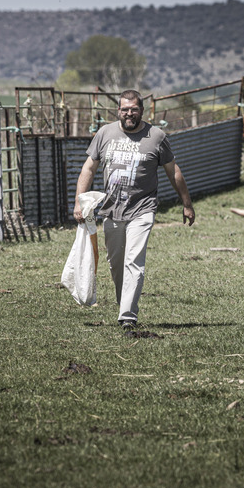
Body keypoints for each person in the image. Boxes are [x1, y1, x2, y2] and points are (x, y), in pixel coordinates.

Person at [73, 90, 195, 328]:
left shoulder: (156, 136)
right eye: (125, 109)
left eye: (134, 109)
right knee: (116, 264)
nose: (129, 113)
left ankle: (128, 317)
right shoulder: (105, 133)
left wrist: (187, 204)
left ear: (142, 110)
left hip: (143, 208)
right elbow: (88, 169)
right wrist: (80, 201)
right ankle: (124, 306)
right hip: (111, 210)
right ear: (118, 110)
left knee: (133, 262)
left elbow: (174, 171)